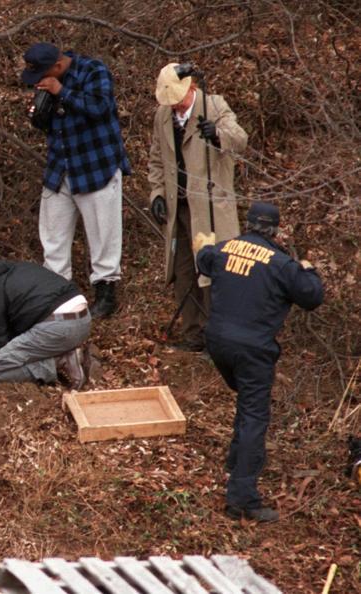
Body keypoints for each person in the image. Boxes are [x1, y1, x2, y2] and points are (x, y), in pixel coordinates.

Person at [195, 202, 324, 522]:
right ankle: (242, 499)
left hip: (217, 344)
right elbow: (312, 296)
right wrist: (308, 268)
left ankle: (236, 462)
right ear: (276, 230)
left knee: (247, 402)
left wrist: (205, 246)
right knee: (255, 414)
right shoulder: (281, 265)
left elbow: (203, 260)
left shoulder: (224, 250)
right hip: (252, 349)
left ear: (248, 223)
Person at [21, 42, 130, 319]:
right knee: (52, 235)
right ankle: (57, 295)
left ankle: (106, 294)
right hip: (60, 166)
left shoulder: (94, 71)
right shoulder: (49, 82)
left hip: (96, 166)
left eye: (45, 75)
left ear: (57, 66)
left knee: (103, 234)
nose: (42, 81)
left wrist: (62, 92)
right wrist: (40, 113)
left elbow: (101, 107)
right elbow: (52, 125)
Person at [148, 63, 248, 351]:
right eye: (172, 104)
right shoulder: (163, 115)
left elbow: (240, 139)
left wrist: (216, 133)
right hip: (177, 209)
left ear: (191, 88)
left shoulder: (214, 105)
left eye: (179, 101)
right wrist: (156, 194)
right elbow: (157, 158)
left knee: (213, 270)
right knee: (183, 272)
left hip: (210, 209)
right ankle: (193, 334)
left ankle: (218, 338)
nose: (176, 108)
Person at [0, 254, 91, 388]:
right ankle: (64, 354)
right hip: (83, 320)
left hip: (58, 328)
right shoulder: (18, 268)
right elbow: (27, 309)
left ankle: (61, 361)